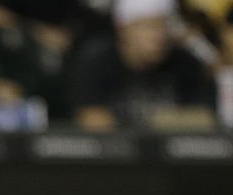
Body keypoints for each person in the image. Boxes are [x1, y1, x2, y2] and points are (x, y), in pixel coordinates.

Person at [69, 0, 216, 130]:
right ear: (123, 28)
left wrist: (159, 122)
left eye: (164, 26)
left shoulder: (185, 64)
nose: (159, 36)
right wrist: (155, 124)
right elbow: (92, 121)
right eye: (149, 27)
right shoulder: (97, 62)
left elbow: (204, 118)